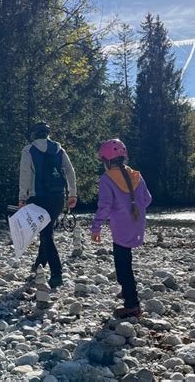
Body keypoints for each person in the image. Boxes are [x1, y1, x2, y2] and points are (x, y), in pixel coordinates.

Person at [91, 139, 152, 318]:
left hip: (121, 226)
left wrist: (96, 227)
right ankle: (126, 290)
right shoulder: (137, 176)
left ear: (108, 161)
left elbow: (104, 206)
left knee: (122, 263)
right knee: (126, 258)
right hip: (137, 222)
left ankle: (132, 303)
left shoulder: (107, 179)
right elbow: (147, 199)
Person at [18, 121, 77, 288]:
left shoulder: (29, 150)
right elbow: (70, 171)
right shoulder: (59, 149)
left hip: (38, 197)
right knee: (46, 230)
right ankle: (39, 266)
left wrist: (22, 198)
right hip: (57, 198)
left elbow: (25, 175)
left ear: (34, 134)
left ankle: (57, 274)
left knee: (46, 235)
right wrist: (72, 194)